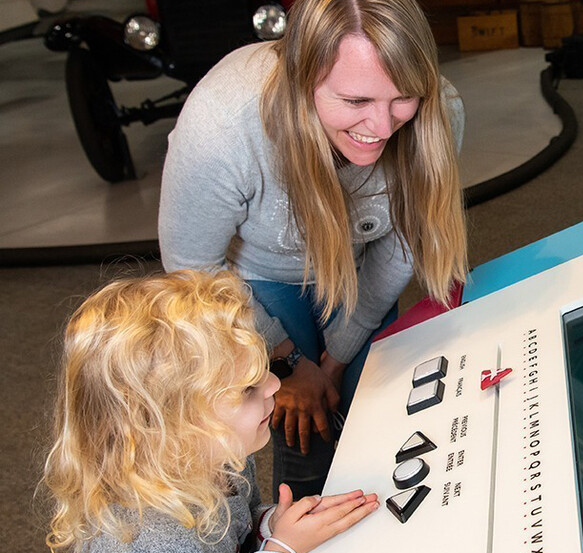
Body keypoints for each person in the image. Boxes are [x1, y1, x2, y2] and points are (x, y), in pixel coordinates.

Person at [158, 0, 468, 500]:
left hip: (360, 261)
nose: (384, 128)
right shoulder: (222, 125)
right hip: (249, 279)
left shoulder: (440, 110)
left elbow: (405, 242)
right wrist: (285, 366)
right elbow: (191, 273)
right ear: (305, 81)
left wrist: (337, 359)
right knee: (305, 423)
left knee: (381, 402)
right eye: (355, 101)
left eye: (403, 97)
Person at [41, 270, 379, 553]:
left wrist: (270, 525)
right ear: (175, 429)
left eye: (264, 368)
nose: (275, 384)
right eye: (248, 388)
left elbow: (232, 530)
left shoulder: (219, 459)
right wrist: (282, 552)